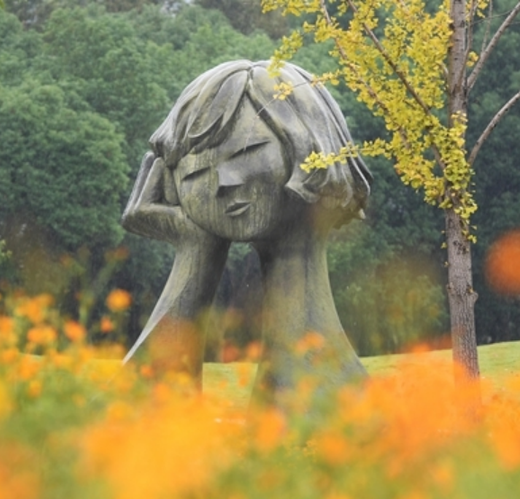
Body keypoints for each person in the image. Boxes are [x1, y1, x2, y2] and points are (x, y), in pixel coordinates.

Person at [122, 60, 372, 410]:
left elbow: (304, 414)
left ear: (310, 151)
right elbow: (138, 436)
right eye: (198, 174)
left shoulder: (350, 409)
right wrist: (194, 251)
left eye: (247, 153)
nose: (226, 182)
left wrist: (302, 240)